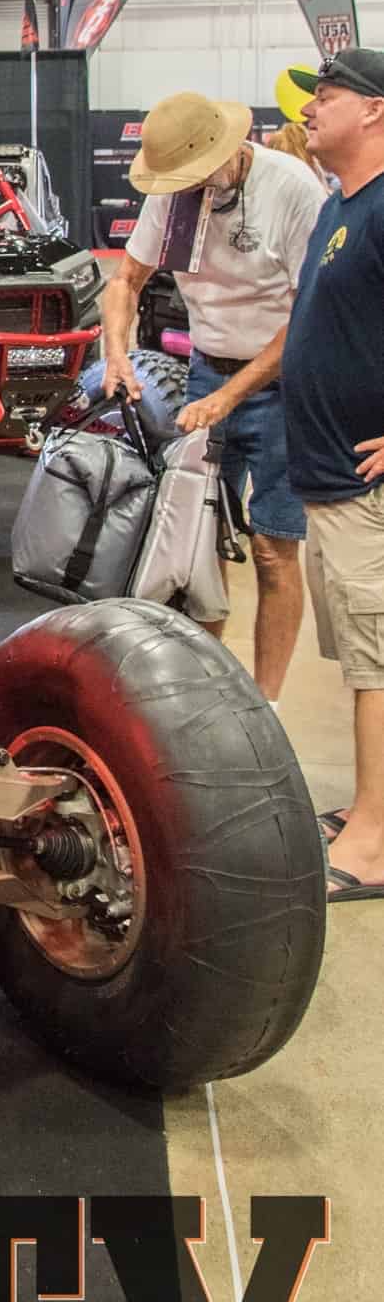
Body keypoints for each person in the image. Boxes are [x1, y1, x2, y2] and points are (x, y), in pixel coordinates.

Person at [100, 88, 327, 701]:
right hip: (207, 371)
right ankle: (210, 693)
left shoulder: (293, 189)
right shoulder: (174, 194)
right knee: (200, 544)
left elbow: (307, 314)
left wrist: (230, 397)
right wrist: (116, 353)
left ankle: (266, 701)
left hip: (283, 382)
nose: (192, 187)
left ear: (229, 150)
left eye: (198, 174)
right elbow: (125, 280)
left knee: (273, 549)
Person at [280, 49, 384, 901]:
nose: (310, 108)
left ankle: (375, 840)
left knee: (376, 665)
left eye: (328, 94)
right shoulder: (338, 207)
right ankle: (369, 807)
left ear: (375, 109)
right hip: (330, 477)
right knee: (361, 659)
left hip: (366, 485)